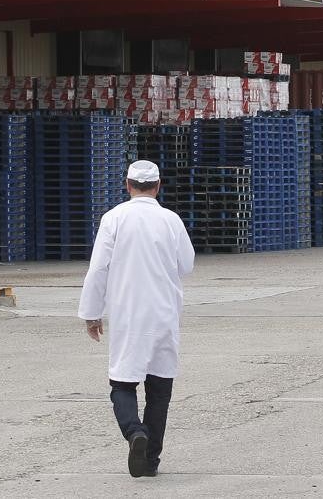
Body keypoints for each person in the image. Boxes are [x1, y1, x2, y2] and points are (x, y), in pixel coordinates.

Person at [78, 159, 196, 478]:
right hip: (164, 314)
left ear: (127, 185)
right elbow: (186, 264)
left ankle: (134, 433)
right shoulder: (170, 220)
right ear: (158, 186)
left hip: (128, 314)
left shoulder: (113, 218)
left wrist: (91, 313)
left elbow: (99, 268)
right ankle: (151, 461)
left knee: (122, 382)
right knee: (159, 390)